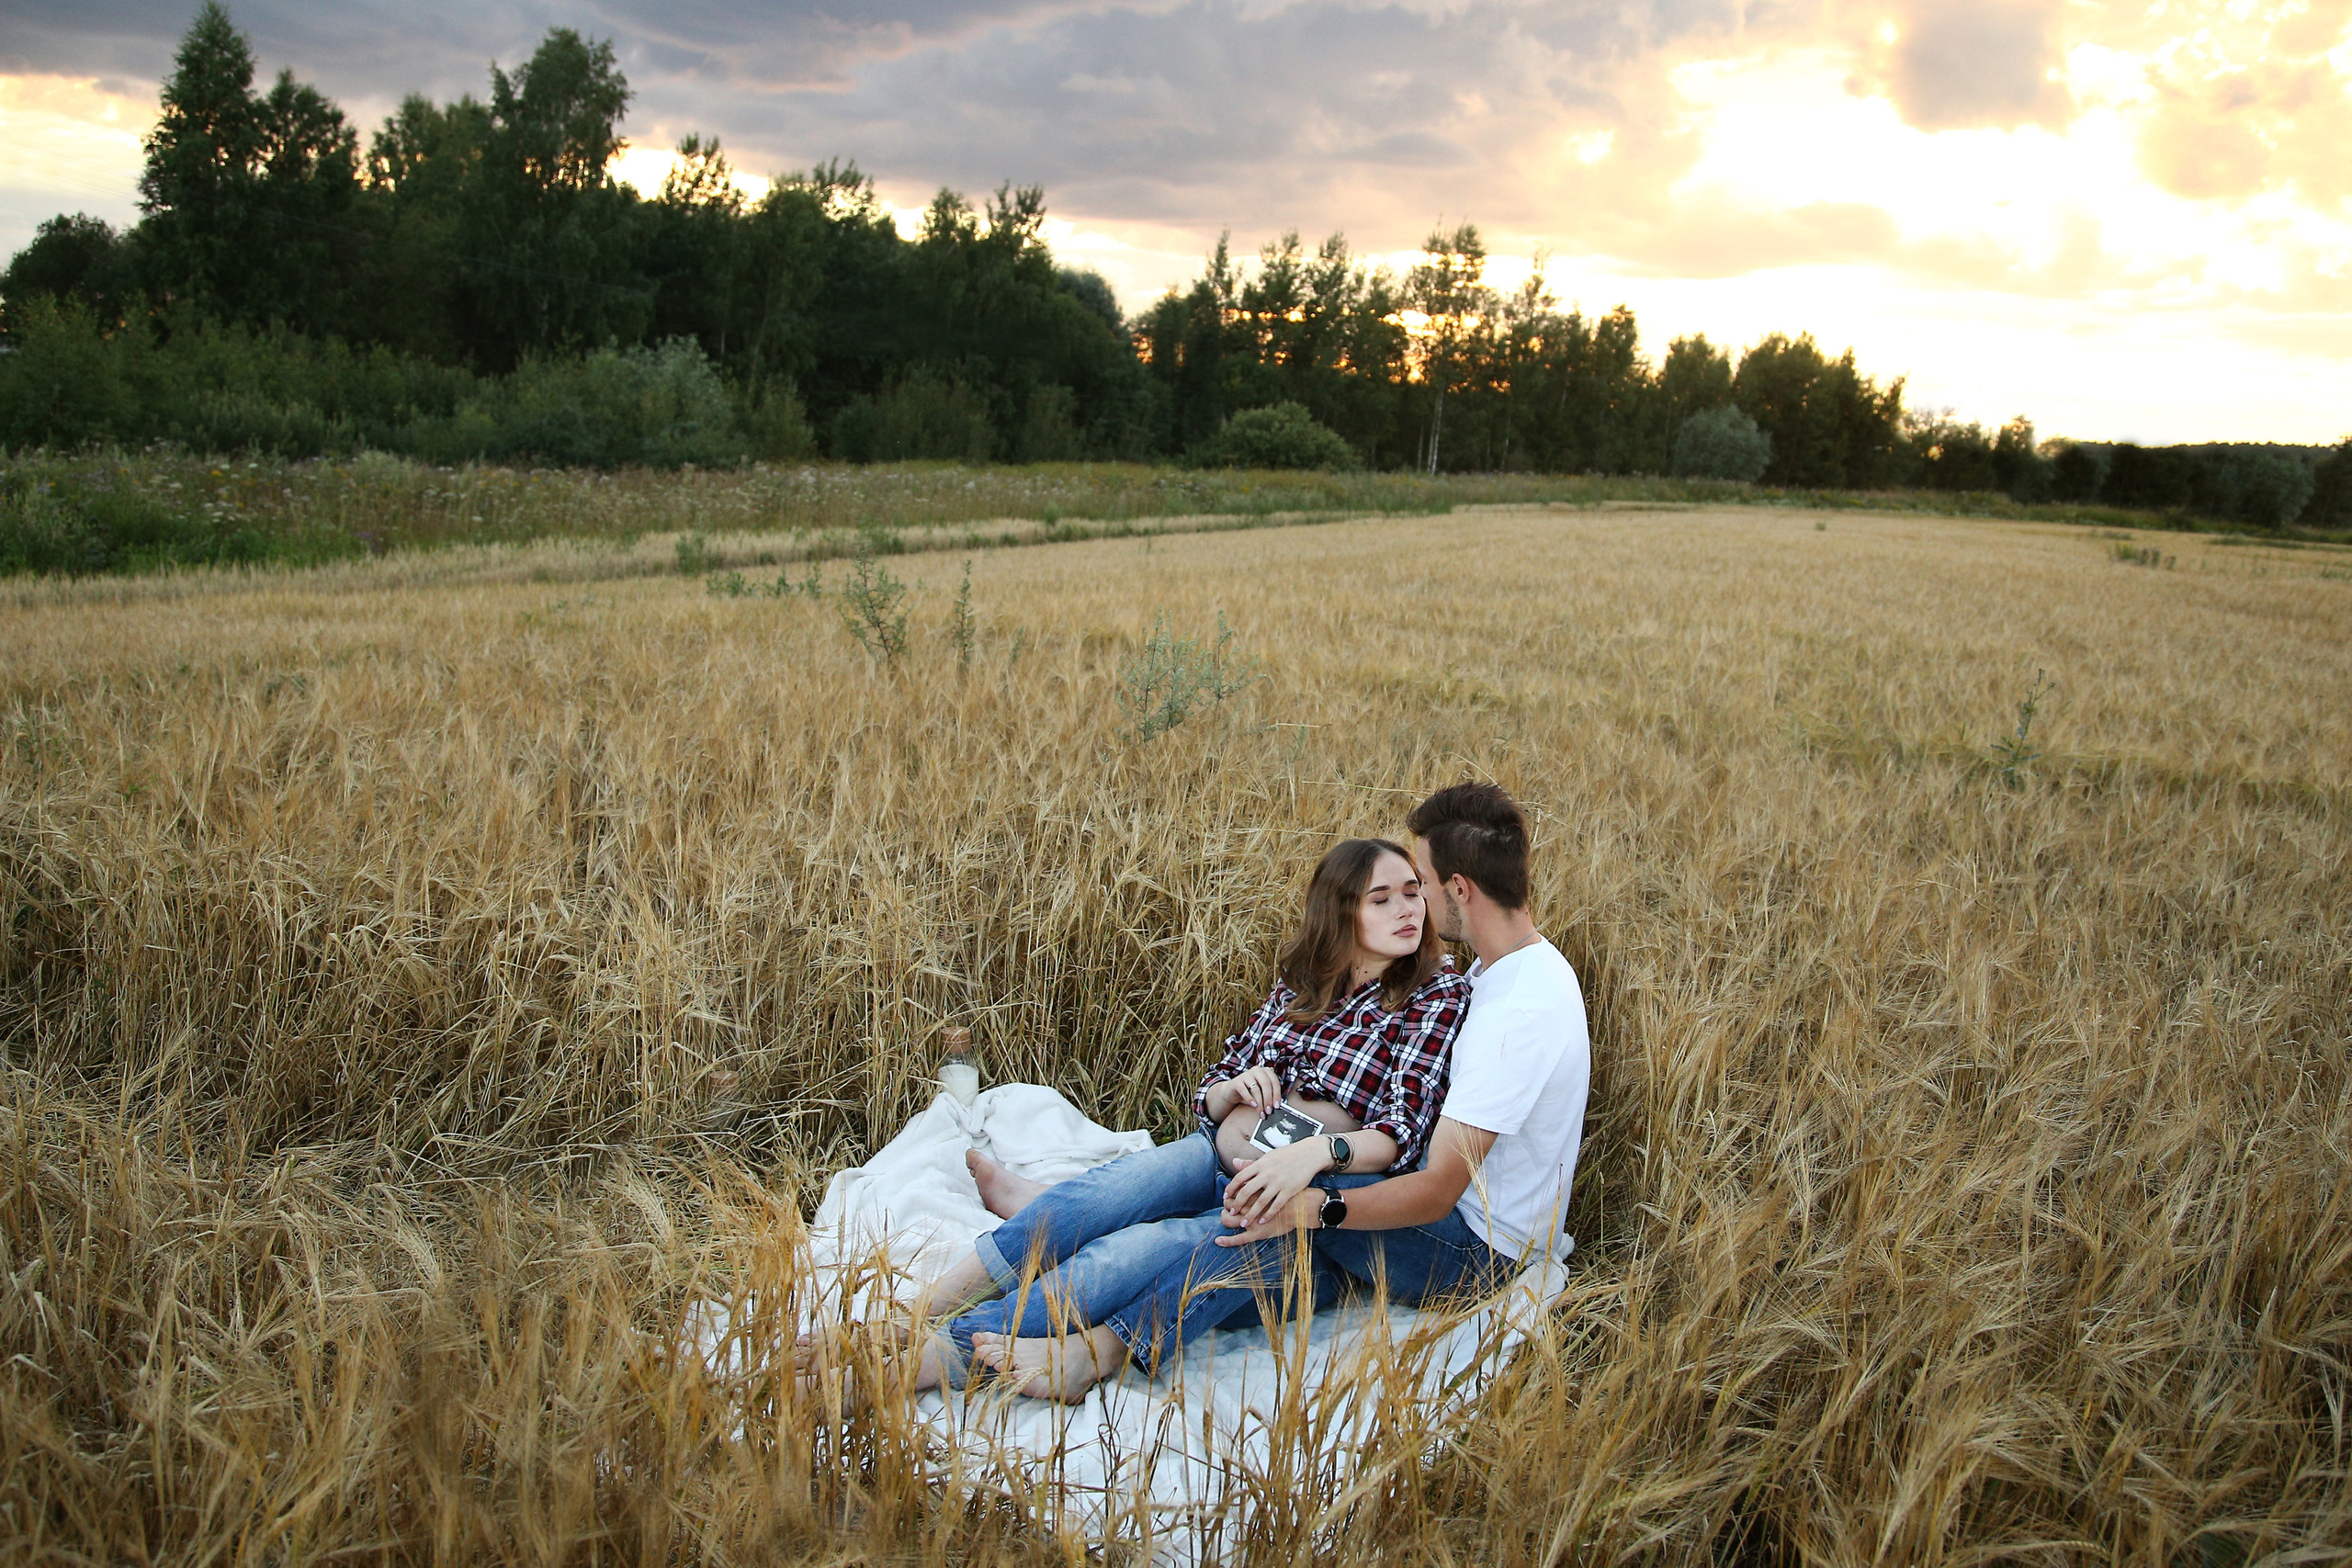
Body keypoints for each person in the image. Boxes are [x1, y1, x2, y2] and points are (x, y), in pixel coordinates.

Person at [966, 782, 1591, 1401]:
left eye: (1421, 882)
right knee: (1246, 1178)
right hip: (1426, 1206)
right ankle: (1069, 1224)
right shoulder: (1495, 965)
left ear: (1460, 889)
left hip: (1469, 1247)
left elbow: (1435, 1189)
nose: (1414, 902)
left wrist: (1318, 1203)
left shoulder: (1522, 1010)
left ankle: (1104, 1346)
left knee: (1267, 1204)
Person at [888, 837, 1471, 1392]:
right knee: (1096, 1199)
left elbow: (1401, 1133)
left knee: (1128, 1253)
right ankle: (921, 1310)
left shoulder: (1433, 994)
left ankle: (942, 1351)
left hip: (1294, 1191)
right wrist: (1237, 1087)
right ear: (1340, 911)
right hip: (1221, 1150)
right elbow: (1213, 1091)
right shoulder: (1303, 983)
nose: (1408, 909)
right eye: (1382, 898)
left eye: (1414, 891)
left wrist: (1310, 1154)